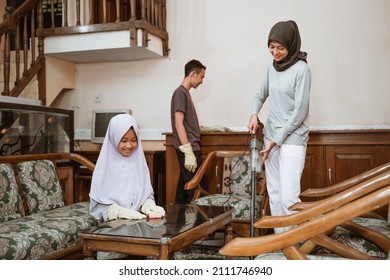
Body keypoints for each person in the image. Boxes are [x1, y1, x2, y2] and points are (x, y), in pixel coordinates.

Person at [247, 20, 311, 232]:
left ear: (291, 46)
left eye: (280, 48)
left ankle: (292, 245)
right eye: (271, 47)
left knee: (288, 198)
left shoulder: (302, 70)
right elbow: (259, 94)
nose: (275, 52)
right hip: (270, 139)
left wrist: (277, 139)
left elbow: (299, 112)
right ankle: (279, 245)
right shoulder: (271, 68)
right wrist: (254, 114)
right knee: (274, 194)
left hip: (292, 139)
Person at [89, 114, 165, 222]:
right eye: (124, 141)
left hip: (139, 221)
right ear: (113, 138)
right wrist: (119, 212)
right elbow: (97, 207)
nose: (129, 145)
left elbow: (146, 193)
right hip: (112, 226)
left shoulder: (139, 162)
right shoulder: (104, 168)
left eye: (134, 140)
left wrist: (148, 206)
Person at [171, 59, 207, 204]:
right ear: (193, 74)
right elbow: (178, 122)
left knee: (184, 189)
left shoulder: (184, 94)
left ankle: (176, 222)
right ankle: (202, 223)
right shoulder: (180, 93)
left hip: (190, 148)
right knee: (197, 189)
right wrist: (188, 151)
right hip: (189, 149)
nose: (202, 81)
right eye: (201, 77)